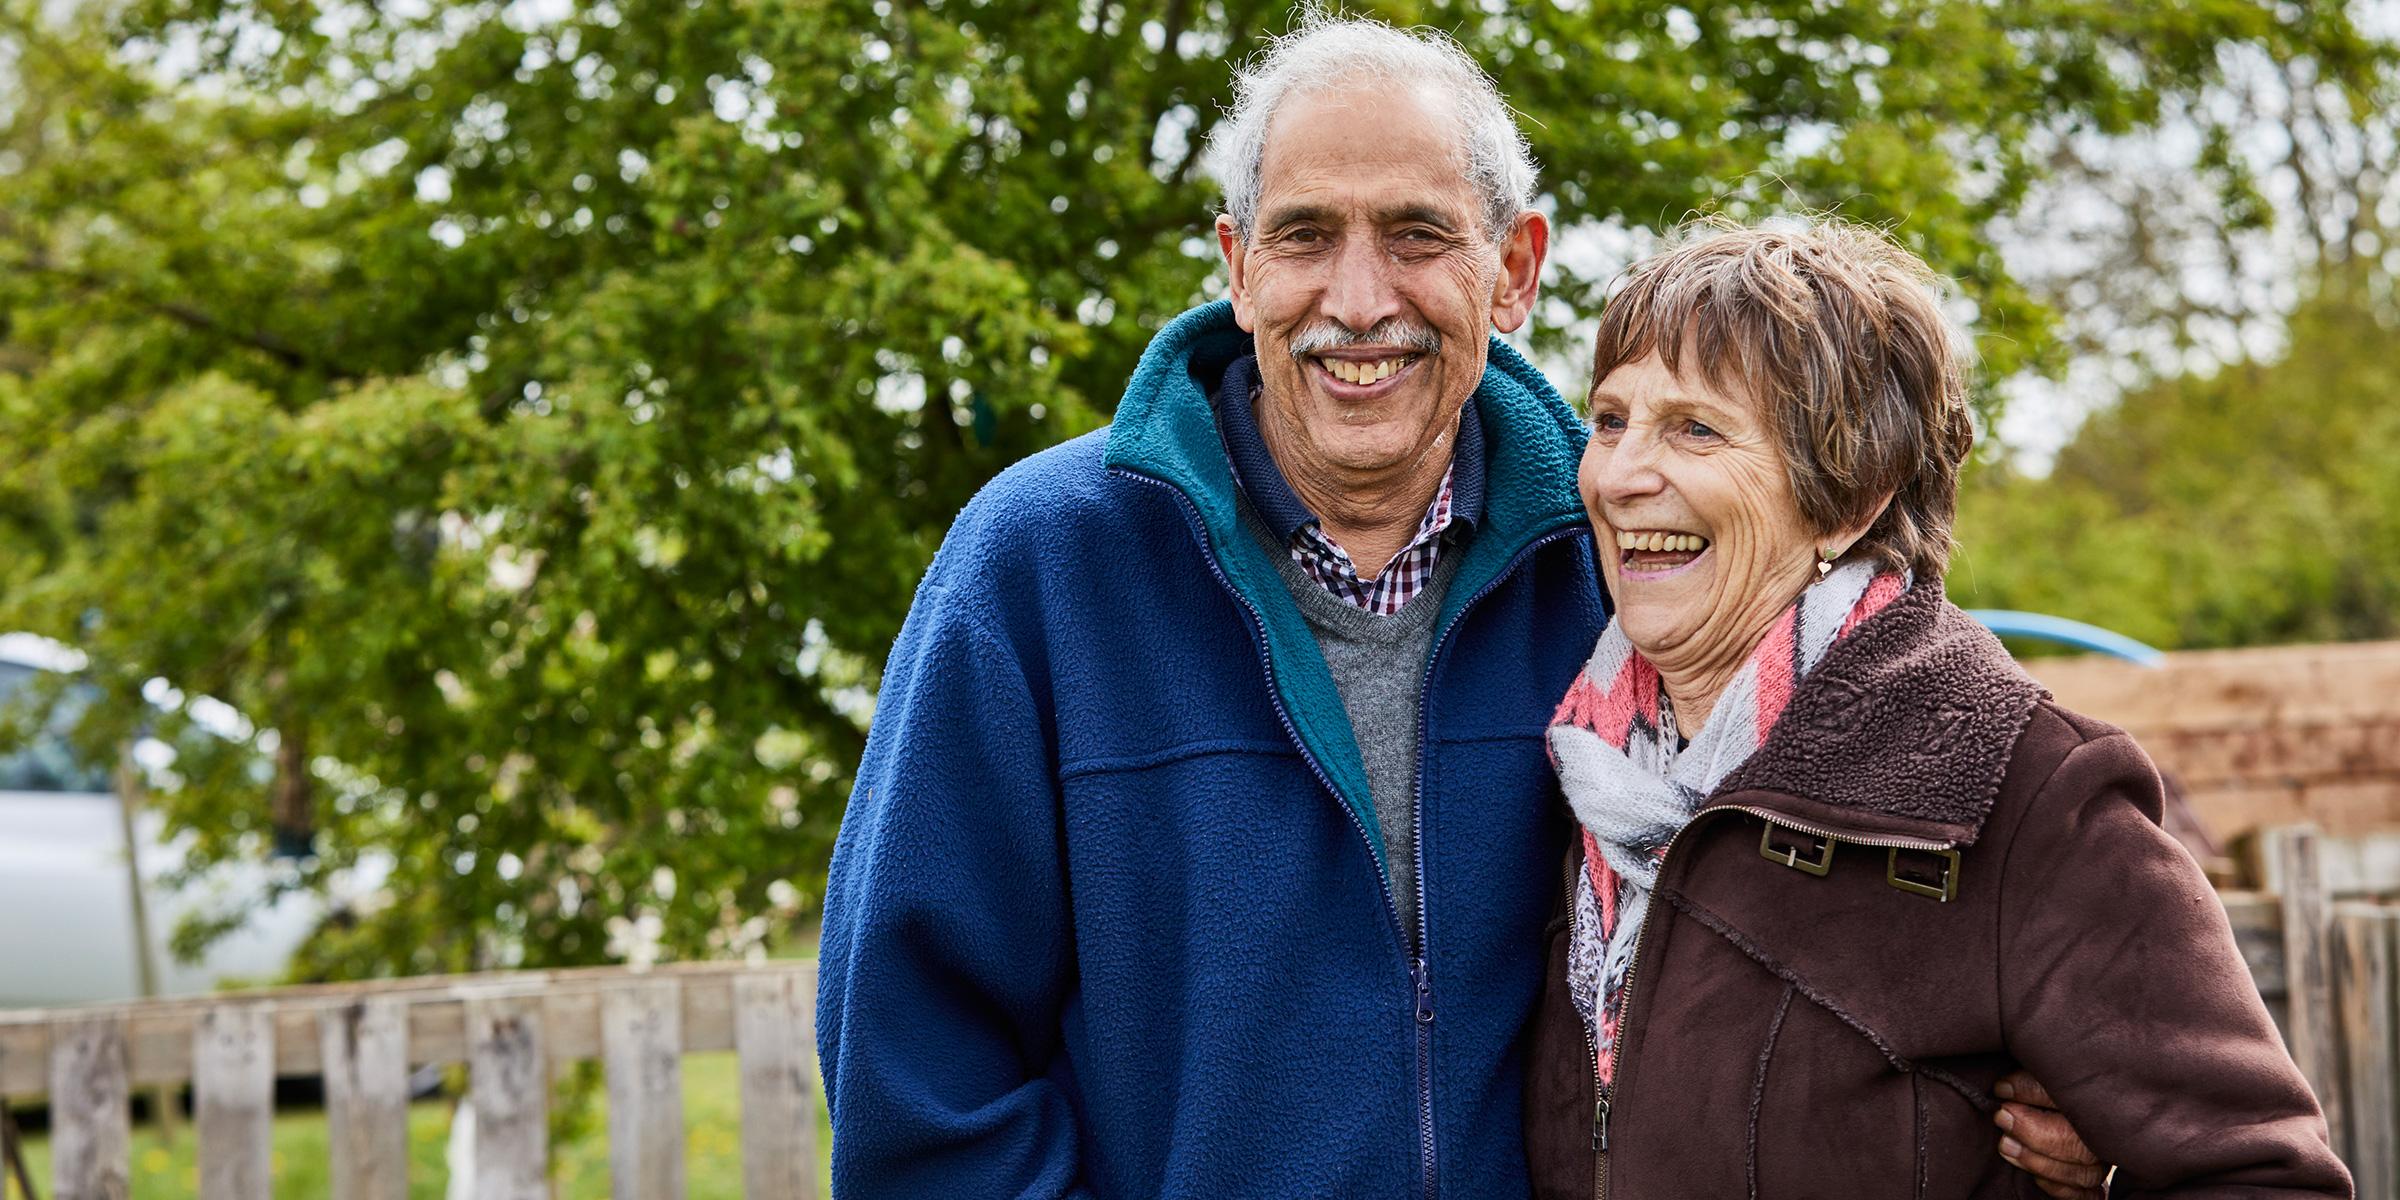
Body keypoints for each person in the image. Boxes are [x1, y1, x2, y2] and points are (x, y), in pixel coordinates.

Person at [818, 15, 2104, 1197]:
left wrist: (2053, 1059)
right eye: (1306, 234)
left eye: (1419, 234)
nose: (1360, 301)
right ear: (1237, 267)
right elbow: (917, 1081)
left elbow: (1894, 793)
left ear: (1515, 268)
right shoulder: (1039, 567)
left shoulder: (1632, 562)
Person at [1521, 219, 2352, 1197]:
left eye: (1696, 429)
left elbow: (2262, 1175)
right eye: (1611, 420)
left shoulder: (2029, 788)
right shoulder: (1576, 766)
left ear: (1849, 497)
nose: (1617, 476)